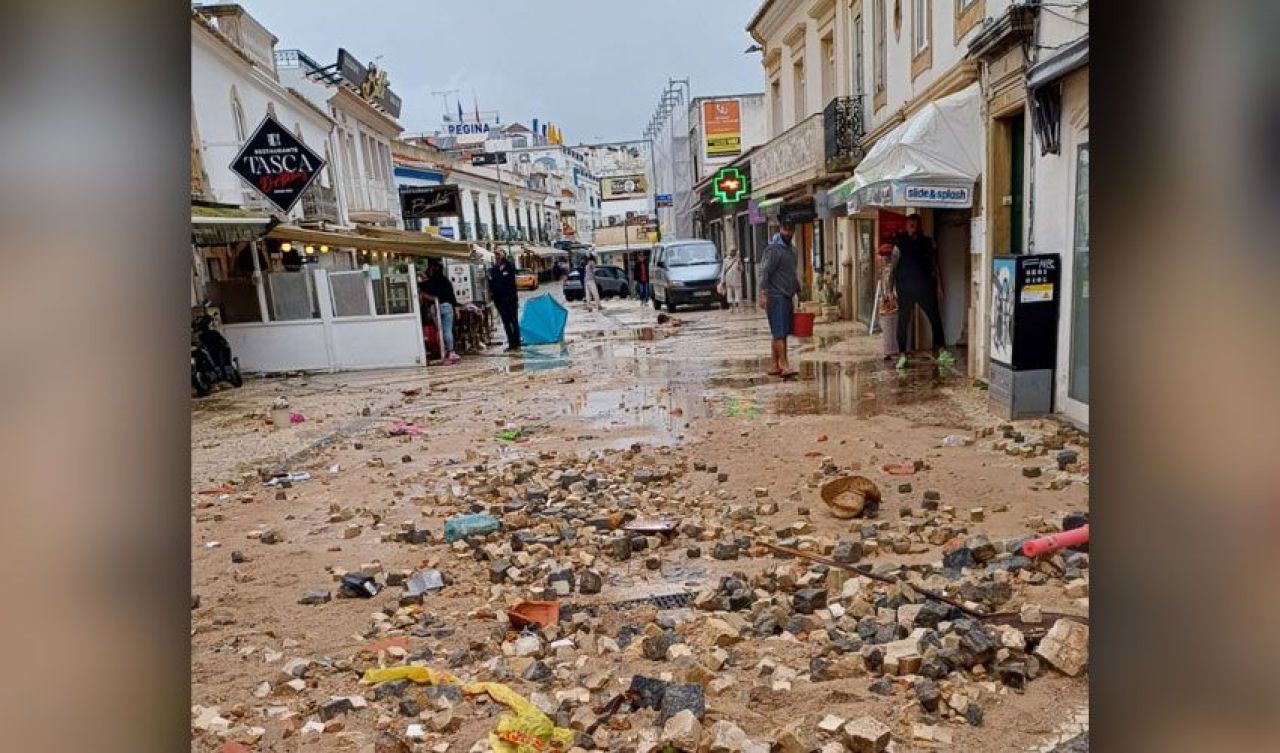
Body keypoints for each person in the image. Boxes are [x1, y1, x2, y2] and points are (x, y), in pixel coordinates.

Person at [888, 212, 947, 368]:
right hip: (905, 288)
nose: (913, 227)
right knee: (903, 322)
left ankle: (941, 351)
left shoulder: (928, 243)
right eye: (910, 224)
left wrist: (940, 286)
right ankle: (902, 355)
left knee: (935, 318)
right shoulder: (899, 245)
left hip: (925, 287)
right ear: (906, 226)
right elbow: (892, 269)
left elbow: (935, 264)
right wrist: (889, 290)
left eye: (916, 224)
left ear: (920, 226)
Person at [756, 222, 801, 377]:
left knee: (780, 332)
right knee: (780, 332)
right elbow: (764, 272)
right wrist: (763, 293)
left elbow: (792, 273)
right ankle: (785, 364)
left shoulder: (792, 250)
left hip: (787, 295)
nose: (789, 233)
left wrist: (798, 290)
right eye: (786, 229)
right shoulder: (773, 250)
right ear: (780, 229)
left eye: (791, 230)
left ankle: (775, 365)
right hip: (775, 296)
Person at [421, 262, 460, 364]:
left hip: (435, 307)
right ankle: (450, 351)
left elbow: (421, 291)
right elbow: (452, 296)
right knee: (447, 330)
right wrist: (456, 309)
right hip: (447, 306)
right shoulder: (446, 281)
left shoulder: (429, 282)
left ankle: (442, 350)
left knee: (439, 330)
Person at [488, 247, 522, 351]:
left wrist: (504, 257)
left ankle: (517, 342)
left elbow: (512, 270)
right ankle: (511, 343)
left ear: (504, 256)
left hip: (511, 300)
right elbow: (491, 284)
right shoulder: (493, 270)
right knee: (506, 322)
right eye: (496, 255)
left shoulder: (509, 267)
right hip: (500, 301)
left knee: (514, 321)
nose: (497, 257)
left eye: (499, 255)